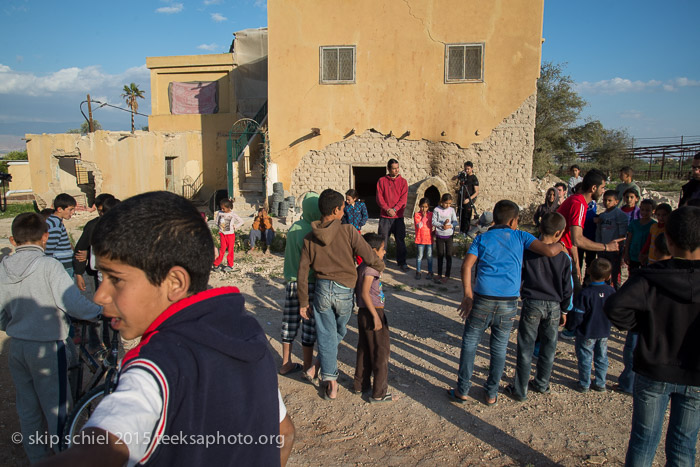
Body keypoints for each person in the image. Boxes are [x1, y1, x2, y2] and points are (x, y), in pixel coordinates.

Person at [45, 191, 294, 466]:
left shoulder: (154, 367)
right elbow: (284, 433)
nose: (100, 296)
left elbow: (99, 449)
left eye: (115, 279)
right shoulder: (247, 333)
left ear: (175, 282)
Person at [0, 213, 102, 463]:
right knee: (57, 409)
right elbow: (73, 303)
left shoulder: (3, 267)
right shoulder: (49, 265)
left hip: (17, 347)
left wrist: (10, 324)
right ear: (46, 236)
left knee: (28, 408)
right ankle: (63, 458)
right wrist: (99, 312)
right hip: (47, 348)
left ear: (13, 240)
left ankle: (38, 458)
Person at [604, 206, 700, 467]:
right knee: (684, 445)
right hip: (695, 375)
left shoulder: (651, 278)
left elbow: (615, 307)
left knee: (644, 441)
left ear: (667, 239)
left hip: (653, 370)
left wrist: (644, 326)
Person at [447, 200, 566, 406]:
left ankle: (462, 390)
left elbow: (466, 266)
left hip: (482, 300)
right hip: (508, 303)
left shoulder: (481, 238)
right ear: (513, 221)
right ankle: (491, 393)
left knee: (470, 344)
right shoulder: (521, 236)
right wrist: (562, 244)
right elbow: (548, 251)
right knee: (499, 348)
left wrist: (468, 295)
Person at [298, 189, 384, 401]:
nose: (344, 210)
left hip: (322, 290)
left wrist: (303, 302)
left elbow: (302, 272)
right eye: (343, 208)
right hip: (345, 291)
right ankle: (331, 380)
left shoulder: (309, 238)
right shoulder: (348, 231)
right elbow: (367, 254)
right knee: (338, 332)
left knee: (328, 335)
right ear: (337, 210)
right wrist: (380, 266)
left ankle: (322, 372)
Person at [506, 212, 573, 402]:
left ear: (540, 228)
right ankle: (542, 383)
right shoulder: (563, 257)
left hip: (532, 303)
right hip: (554, 306)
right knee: (548, 347)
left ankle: (520, 390)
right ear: (560, 233)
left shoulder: (528, 251)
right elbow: (568, 287)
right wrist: (566, 310)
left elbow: (520, 276)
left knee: (526, 346)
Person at [279, 192, 321, 379]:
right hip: (309, 284)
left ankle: (285, 363)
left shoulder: (294, 227)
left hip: (291, 283)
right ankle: (307, 365)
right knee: (308, 325)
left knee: (289, 322)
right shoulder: (312, 231)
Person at [557, 168, 622, 285]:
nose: (603, 191)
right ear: (593, 188)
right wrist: (607, 247)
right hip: (560, 254)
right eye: (602, 187)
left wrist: (576, 264)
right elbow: (577, 240)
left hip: (564, 252)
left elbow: (570, 237)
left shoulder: (575, 200)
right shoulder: (579, 205)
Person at [353, 233, 396, 403]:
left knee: (364, 349)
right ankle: (379, 393)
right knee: (380, 351)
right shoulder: (371, 268)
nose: (384, 252)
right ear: (373, 250)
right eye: (382, 249)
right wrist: (376, 318)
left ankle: (360, 384)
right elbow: (365, 293)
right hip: (373, 312)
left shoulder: (362, 266)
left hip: (365, 312)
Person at [570, 258, 615, 392]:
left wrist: (572, 327)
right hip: (604, 331)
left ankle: (584, 383)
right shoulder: (611, 291)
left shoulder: (585, 293)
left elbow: (578, 314)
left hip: (587, 331)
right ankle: (601, 383)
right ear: (609, 276)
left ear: (588, 272)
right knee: (602, 357)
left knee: (585, 357)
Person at [376, 158, 409, 271]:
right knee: (383, 240)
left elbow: (403, 199)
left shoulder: (403, 182)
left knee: (400, 240)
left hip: (398, 217)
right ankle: (381, 263)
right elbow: (379, 198)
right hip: (385, 217)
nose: (396, 170)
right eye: (394, 168)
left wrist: (395, 209)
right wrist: (387, 209)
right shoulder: (381, 181)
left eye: (397, 168)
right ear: (388, 169)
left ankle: (402, 262)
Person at [596, 190, 628, 289]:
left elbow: (622, 233)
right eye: (605, 200)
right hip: (603, 247)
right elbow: (598, 232)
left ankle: (616, 291)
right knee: (603, 271)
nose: (607, 203)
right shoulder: (602, 215)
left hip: (614, 248)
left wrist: (620, 246)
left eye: (610, 200)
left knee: (615, 272)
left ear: (616, 201)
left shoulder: (619, 215)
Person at [45, 193, 77, 277]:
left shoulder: (53, 221)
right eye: (70, 209)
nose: (73, 212)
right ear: (59, 209)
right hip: (62, 265)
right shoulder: (55, 224)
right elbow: (49, 248)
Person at [623, 199, 656, 273]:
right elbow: (628, 239)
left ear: (653, 211)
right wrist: (626, 253)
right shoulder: (634, 223)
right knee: (632, 275)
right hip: (633, 255)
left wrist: (647, 255)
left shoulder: (654, 225)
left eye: (647, 210)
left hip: (646, 256)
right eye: (642, 210)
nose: (644, 212)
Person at [432, 193, 458, 284]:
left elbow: (455, 222)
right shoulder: (436, 209)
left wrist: (450, 225)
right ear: (442, 202)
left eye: (449, 203)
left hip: (449, 235)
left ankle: (447, 275)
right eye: (446, 203)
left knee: (448, 255)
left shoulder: (451, 210)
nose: (448, 205)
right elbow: (433, 221)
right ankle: (439, 273)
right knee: (440, 254)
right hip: (439, 235)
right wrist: (442, 225)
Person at [213, 198, 244, 272]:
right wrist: (220, 229)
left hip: (230, 235)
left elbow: (241, 221)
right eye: (221, 208)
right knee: (222, 249)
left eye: (224, 208)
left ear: (229, 207)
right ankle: (216, 264)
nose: (222, 210)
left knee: (230, 250)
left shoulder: (232, 214)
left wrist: (235, 226)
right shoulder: (220, 213)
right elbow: (217, 221)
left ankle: (230, 265)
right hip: (222, 234)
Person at [452, 161, 479, 235]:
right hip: (461, 199)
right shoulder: (464, 176)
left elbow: (476, 192)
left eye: (468, 169)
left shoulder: (474, 178)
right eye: (465, 169)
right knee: (461, 215)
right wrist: (459, 175)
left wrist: (469, 199)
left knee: (466, 217)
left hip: (468, 200)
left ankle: (466, 232)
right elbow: (453, 179)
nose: (467, 170)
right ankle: (461, 231)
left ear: (472, 168)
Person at [413, 197, 434, 280]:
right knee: (419, 256)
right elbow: (419, 226)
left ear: (428, 207)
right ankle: (418, 271)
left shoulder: (431, 215)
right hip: (420, 239)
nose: (423, 209)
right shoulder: (417, 215)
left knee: (429, 256)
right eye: (422, 206)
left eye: (425, 207)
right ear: (419, 206)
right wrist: (424, 218)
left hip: (429, 239)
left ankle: (430, 271)